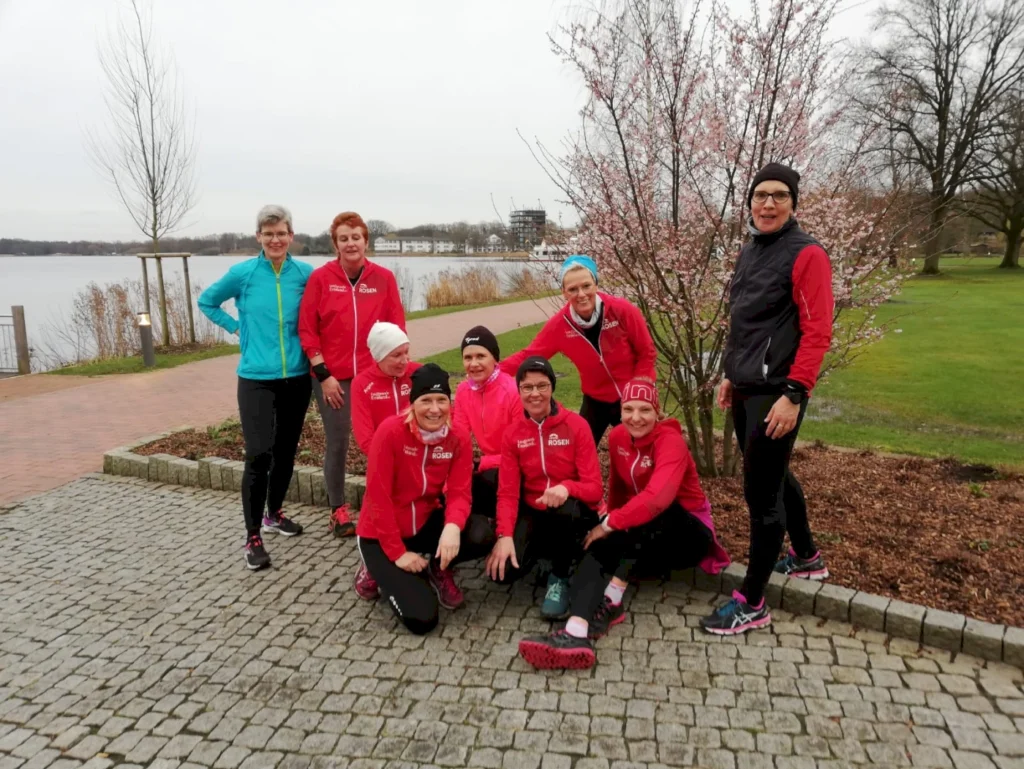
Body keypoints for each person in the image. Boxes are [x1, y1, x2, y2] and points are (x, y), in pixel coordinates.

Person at [701, 162, 834, 636]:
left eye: (780, 195)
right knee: (775, 474)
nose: (769, 203)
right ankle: (806, 557)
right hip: (746, 388)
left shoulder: (808, 254)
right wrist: (728, 374)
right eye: (761, 195)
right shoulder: (750, 250)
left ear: (794, 203)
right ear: (750, 202)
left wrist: (794, 394)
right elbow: (743, 323)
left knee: (761, 494)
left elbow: (818, 331)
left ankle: (752, 601)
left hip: (777, 394)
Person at [518, 378, 731, 669]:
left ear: (658, 412)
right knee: (597, 546)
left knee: (646, 516)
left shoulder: (672, 443)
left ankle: (613, 596)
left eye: (645, 409)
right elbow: (618, 490)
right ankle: (575, 632)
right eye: (628, 409)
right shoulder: (618, 437)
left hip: (687, 533)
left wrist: (610, 523)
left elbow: (657, 498)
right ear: (620, 411)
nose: (636, 417)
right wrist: (608, 528)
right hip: (644, 534)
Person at [198, 205, 314, 571]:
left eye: (281, 233)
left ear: (291, 235)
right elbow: (207, 301)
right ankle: (252, 536)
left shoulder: (305, 274)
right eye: (268, 234)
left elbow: (321, 315)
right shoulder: (243, 274)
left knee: (285, 452)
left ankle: (274, 514)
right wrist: (236, 328)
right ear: (258, 238)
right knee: (259, 453)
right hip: (256, 378)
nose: (275, 239)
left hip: (297, 376)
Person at [299, 212, 405, 538]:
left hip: (375, 374)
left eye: (356, 237)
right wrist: (324, 375)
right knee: (339, 441)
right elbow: (307, 329)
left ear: (366, 241)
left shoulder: (383, 278)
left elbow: (396, 326)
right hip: (333, 377)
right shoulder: (321, 278)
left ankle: (395, 503)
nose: (350, 243)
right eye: (343, 238)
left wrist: (396, 367)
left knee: (388, 438)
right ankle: (338, 509)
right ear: (335, 244)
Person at [354, 364, 474, 634]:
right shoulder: (390, 432)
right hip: (380, 534)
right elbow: (377, 498)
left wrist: (452, 527)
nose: (435, 409)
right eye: (426, 400)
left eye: (442, 400)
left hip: (422, 521)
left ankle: (436, 567)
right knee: (422, 619)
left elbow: (459, 491)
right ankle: (374, 568)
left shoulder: (458, 437)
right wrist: (397, 553)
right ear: (412, 404)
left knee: (479, 532)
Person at [485, 356, 604, 620]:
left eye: (542, 385)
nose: (535, 394)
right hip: (534, 508)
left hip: (572, 510)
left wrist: (567, 487)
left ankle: (559, 577)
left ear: (552, 387)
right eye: (527, 387)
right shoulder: (513, 433)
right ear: (519, 391)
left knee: (565, 510)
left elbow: (595, 489)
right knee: (502, 573)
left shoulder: (576, 425)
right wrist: (504, 535)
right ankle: (542, 557)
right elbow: (507, 492)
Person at [500, 255, 657, 446]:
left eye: (586, 286)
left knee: (641, 449)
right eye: (573, 289)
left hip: (632, 397)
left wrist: (640, 388)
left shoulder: (621, 310)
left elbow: (646, 352)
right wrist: (492, 371)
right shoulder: (560, 325)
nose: (581, 294)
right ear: (564, 293)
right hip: (595, 400)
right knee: (579, 448)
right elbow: (530, 355)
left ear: (596, 285)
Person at [451, 326, 521, 519]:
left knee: (488, 480)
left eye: (481, 356)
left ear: (495, 358)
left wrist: (482, 462)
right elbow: (458, 439)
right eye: (468, 358)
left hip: (519, 468)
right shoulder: (464, 391)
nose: (474, 364)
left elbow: (521, 451)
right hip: (490, 467)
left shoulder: (513, 391)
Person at [350, 321, 422, 456]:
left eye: (406, 352)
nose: (405, 360)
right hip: (384, 456)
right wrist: (389, 459)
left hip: (421, 454)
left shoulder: (419, 372)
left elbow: (444, 414)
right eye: (396, 355)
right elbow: (365, 438)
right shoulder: (361, 384)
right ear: (379, 357)